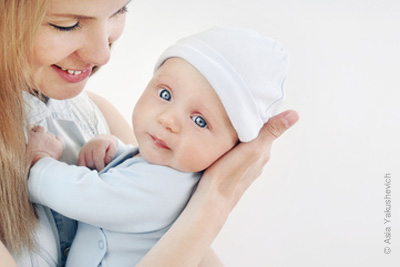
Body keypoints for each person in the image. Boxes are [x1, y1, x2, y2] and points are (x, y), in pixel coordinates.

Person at [0, 0, 299, 266]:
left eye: (119, 10)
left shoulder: (93, 114)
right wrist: (214, 200)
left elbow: (97, 193)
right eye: (67, 24)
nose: (103, 55)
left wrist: (40, 165)